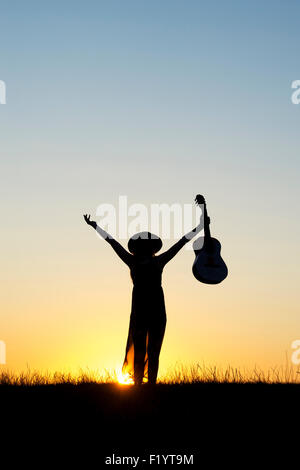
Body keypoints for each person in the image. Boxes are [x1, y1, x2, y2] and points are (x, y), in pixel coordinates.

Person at [83, 212, 203, 385]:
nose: (146, 248)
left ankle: (151, 385)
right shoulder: (134, 262)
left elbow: (181, 242)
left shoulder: (158, 262)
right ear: (138, 248)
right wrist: (95, 226)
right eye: (143, 245)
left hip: (156, 309)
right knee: (140, 349)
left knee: (154, 350)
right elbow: (112, 242)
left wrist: (199, 227)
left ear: (151, 248)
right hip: (140, 309)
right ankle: (139, 385)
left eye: (148, 245)